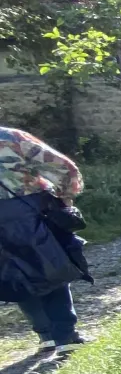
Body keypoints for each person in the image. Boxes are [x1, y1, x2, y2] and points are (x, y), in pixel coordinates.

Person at [0, 126, 90, 354]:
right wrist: (65, 197)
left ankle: (45, 334)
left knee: (16, 273)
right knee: (52, 266)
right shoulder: (9, 137)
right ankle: (65, 335)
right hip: (28, 211)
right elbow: (64, 168)